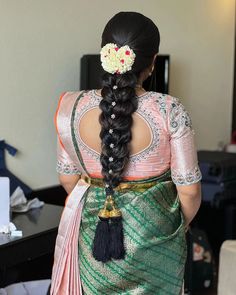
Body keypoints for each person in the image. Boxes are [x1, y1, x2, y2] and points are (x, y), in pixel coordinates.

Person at [50, 11, 202, 295]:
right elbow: (189, 192)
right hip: (156, 239)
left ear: (105, 54)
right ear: (153, 62)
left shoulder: (70, 106)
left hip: (94, 235)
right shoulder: (169, 110)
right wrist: (171, 226)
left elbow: (68, 180)